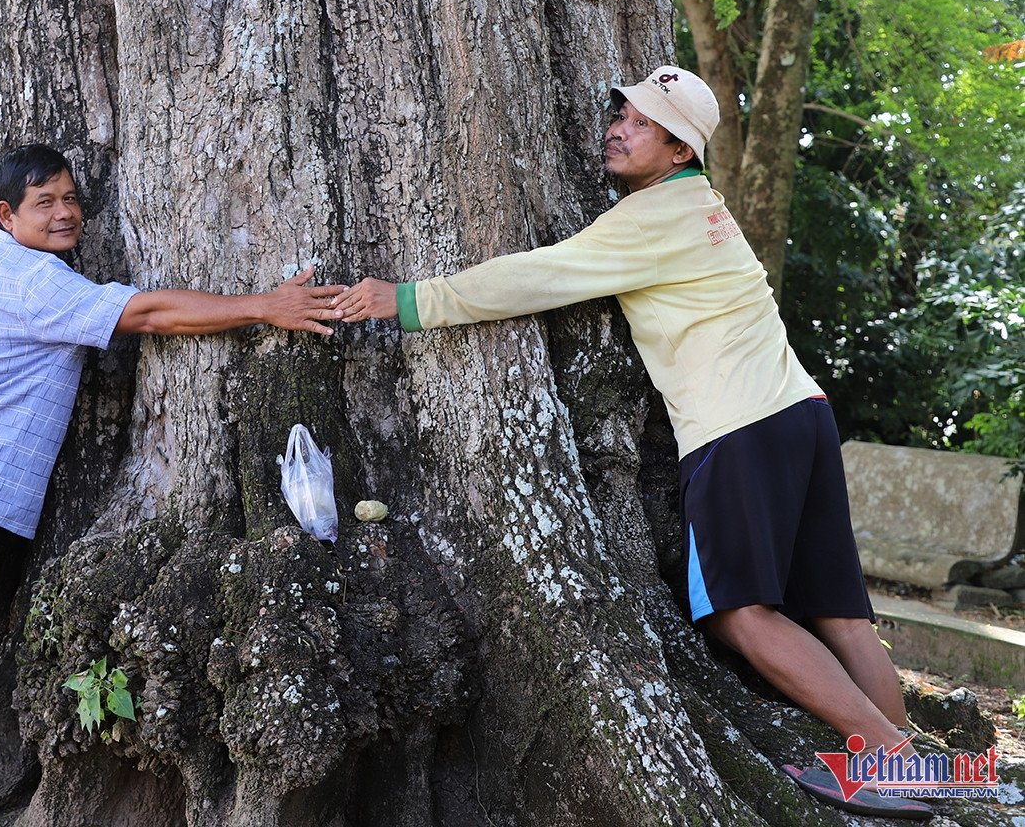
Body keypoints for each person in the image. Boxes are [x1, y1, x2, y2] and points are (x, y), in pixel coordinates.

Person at [331, 67, 932, 822]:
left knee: (739, 616)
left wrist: (412, 300)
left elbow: (535, 277)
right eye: (622, 110)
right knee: (839, 615)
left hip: (739, 424)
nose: (618, 125)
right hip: (798, 413)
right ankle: (916, 770)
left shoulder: (652, 218)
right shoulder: (701, 207)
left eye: (642, 122)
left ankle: (888, 758)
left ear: (679, 150)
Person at [0, 143, 343, 827]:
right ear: (6, 214)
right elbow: (144, 314)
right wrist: (267, 306)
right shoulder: (34, 281)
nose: (64, 214)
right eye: (43, 203)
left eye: (70, 199)